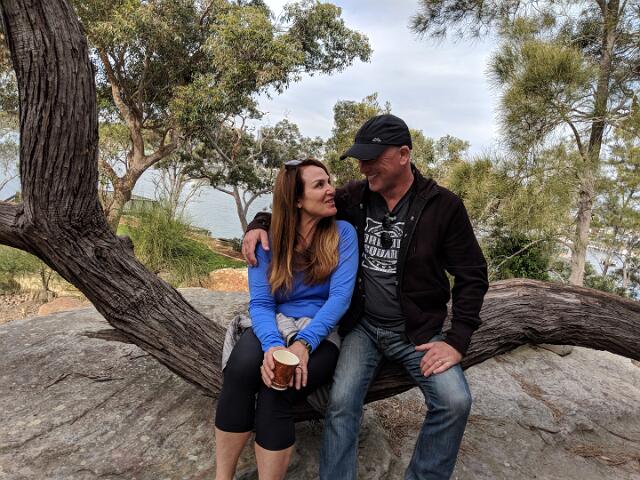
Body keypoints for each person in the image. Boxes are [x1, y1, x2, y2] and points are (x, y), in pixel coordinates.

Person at [242, 114, 489, 479]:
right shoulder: (357, 197)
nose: (362, 167)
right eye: (360, 159)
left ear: (403, 155)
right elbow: (298, 205)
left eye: (372, 158)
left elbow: (473, 274)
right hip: (363, 328)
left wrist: (457, 341)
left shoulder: (444, 207)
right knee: (341, 403)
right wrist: (258, 225)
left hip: (416, 332)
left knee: (455, 401)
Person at [215, 158, 358, 480]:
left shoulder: (343, 233)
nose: (331, 189)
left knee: (278, 388)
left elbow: (340, 299)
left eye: (329, 181)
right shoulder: (266, 240)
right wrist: (273, 346)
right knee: (240, 371)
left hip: (321, 330)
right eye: (319, 185)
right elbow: (262, 303)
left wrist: (303, 344)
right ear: (296, 200)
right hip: (275, 322)